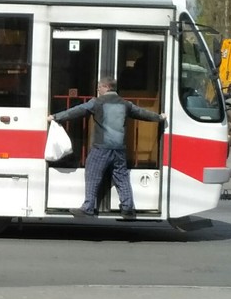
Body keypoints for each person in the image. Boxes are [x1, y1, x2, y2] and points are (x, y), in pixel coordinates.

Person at [50, 76, 166, 221]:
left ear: (106, 87)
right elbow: (143, 113)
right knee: (121, 177)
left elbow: (76, 111)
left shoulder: (96, 102)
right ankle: (128, 208)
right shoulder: (125, 104)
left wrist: (56, 117)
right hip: (120, 149)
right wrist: (159, 117)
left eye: (99, 86)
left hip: (101, 148)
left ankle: (88, 208)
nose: (97, 89)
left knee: (92, 174)